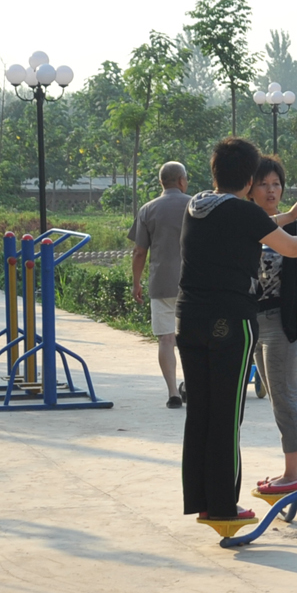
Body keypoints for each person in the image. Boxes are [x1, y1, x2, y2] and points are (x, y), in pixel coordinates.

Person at [178, 137, 297, 525]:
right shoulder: (243, 214)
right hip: (228, 322)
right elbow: (292, 248)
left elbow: (259, 225)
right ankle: (225, 506)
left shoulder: (197, 207)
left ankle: (204, 501)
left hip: (188, 319)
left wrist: (287, 217)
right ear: (248, 181)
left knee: (202, 414)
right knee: (227, 416)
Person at [248, 156, 297, 498]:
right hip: (253, 321)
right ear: (250, 188)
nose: (272, 190)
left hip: (280, 322)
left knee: (284, 399)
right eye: (264, 184)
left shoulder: (293, 227)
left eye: (276, 184)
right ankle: (292, 471)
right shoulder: (245, 224)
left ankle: (294, 474)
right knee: (277, 397)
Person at [129, 161, 190, 409]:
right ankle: (192, 384)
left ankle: (173, 392)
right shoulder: (195, 204)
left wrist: (136, 283)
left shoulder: (148, 209)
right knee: (191, 339)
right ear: (182, 181)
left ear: (161, 182)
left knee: (166, 339)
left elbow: (139, 252)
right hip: (193, 283)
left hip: (161, 283)